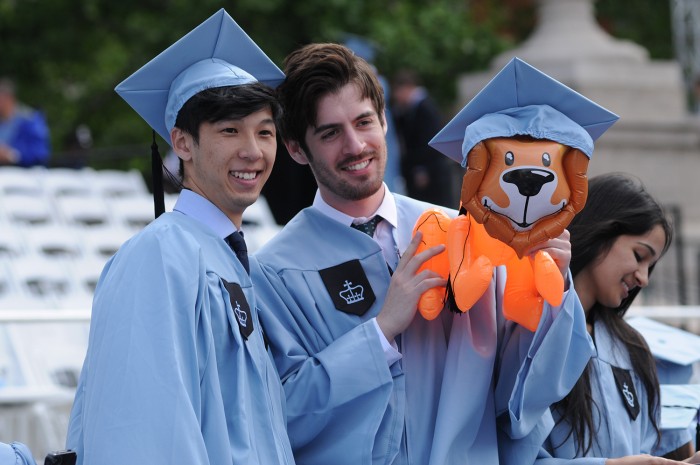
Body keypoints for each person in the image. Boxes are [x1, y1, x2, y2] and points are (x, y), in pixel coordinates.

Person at [251, 43, 594, 465]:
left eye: (364, 122)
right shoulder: (275, 269)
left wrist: (551, 288)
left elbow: (518, 391)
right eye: (330, 133)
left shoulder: (465, 232)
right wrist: (380, 332)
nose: (356, 145)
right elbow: (279, 413)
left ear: (384, 121)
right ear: (296, 148)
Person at [65, 9, 295, 465]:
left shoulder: (230, 261)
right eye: (230, 130)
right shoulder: (158, 256)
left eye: (264, 132)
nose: (253, 151)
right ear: (182, 143)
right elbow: (143, 435)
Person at [532, 173, 698, 464]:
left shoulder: (631, 348)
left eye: (651, 265)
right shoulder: (530, 335)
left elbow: (648, 448)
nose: (644, 278)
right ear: (601, 232)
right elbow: (513, 454)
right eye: (639, 255)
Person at [391, 69, 454, 206]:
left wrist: (421, 169)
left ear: (407, 88)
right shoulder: (413, 109)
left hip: (431, 173)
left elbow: (428, 142)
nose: (397, 97)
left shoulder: (424, 108)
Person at [0, 78, 50, 167]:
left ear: (8, 98)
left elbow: (41, 154)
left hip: (24, 176)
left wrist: (11, 155)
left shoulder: (29, 119)